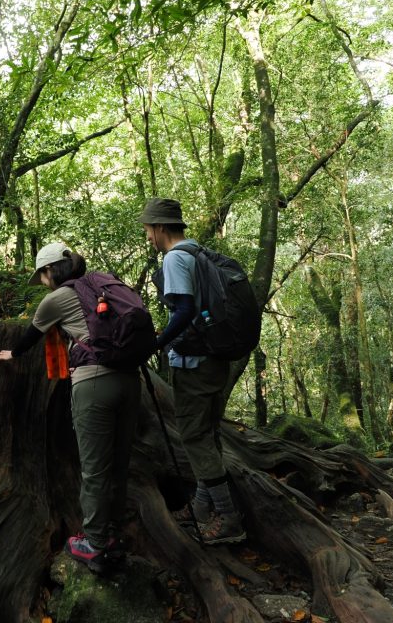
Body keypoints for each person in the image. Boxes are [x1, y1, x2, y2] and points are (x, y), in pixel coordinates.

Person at [0, 242, 141, 573]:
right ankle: (113, 536)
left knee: (94, 468)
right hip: (130, 381)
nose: (42, 282)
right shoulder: (101, 286)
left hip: (93, 383)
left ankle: (95, 544)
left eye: (42, 275)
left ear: (50, 271)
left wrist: (12, 354)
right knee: (118, 464)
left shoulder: (57, 299)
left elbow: (32, 334)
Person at [140, 197, 246, 545]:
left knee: (194, 436)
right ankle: (202, 507)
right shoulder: (200, 252)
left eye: (147, 230)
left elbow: (183, 310)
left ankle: (229, 519)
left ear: (159, 228)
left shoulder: (174, 258)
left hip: (195, 363)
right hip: (215, 359)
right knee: (206, 432)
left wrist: (158, 342)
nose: (147, 237)